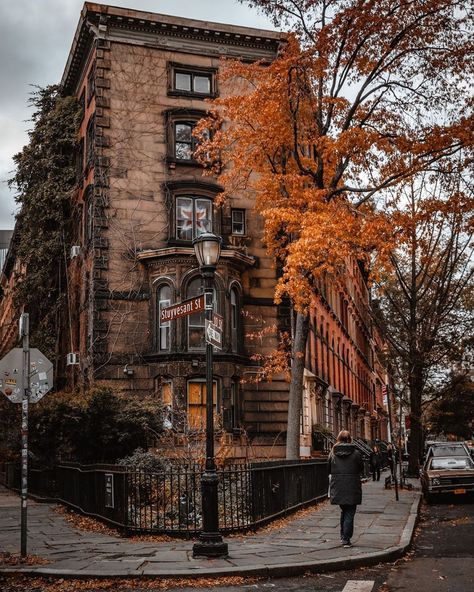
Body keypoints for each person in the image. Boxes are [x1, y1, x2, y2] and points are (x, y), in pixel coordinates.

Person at [328, 430, 364, 548]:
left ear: (338, 439)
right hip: (352, 486)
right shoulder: (356, 454)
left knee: (344, 510)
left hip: (338, 486)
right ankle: (346, 539)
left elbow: (328, 469)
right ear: (349, 439)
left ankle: (343, 536)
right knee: (350, 512)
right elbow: (361, 468)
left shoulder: (333, 453)